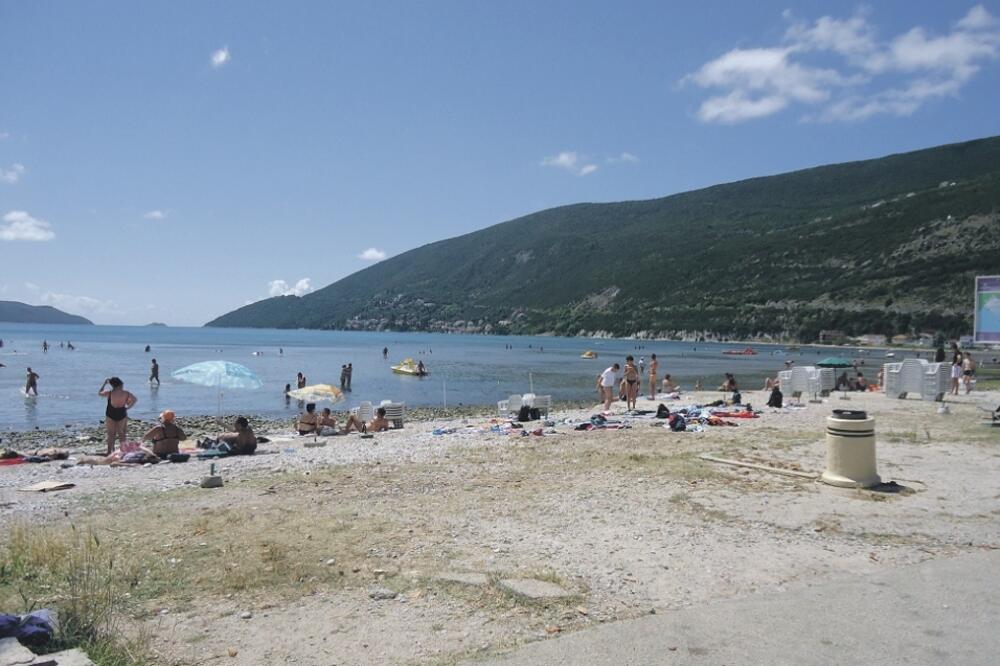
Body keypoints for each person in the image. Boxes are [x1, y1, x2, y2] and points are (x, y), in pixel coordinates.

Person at [99, 377, 137, 455]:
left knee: (111, 434)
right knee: (122, 434)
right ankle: (123, 451)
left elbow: (100, 393)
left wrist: (104, 384)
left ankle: (109, 452)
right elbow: (134, 399)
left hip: (110, 413)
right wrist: (128, 408)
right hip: (121, 413)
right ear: (120, 384)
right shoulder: (126, 393)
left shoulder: (109, 392)